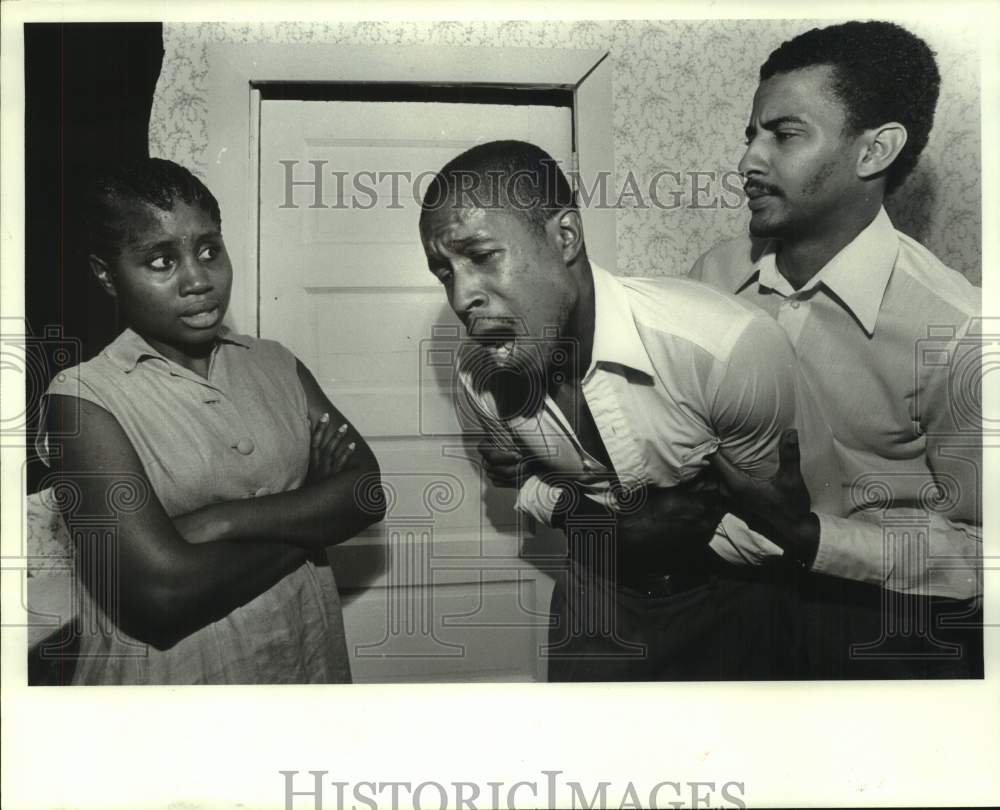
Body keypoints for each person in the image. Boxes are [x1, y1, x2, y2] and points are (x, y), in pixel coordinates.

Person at [418, 140, 806, 681]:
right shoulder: (478, 372)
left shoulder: (722, 347)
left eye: (482, 256)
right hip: (590, 606)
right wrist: (593, 521)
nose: (461, 298)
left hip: (732, 609)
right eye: (444, 272)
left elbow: (778, 528)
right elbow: (515, 478)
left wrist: (676, 542)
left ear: (565, 237)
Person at [690, 21, 983, 678]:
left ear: (875, 150)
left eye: (785, 134)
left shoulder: (961, 332)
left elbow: (983, 551)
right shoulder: (714, 275)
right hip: (727, 617)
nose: (748, 161)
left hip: (888, 639)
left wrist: (814, 538)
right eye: (751, 135)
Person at [37, 158, 385, 684]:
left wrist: (218, 522)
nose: (198, 280)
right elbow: (162, 596)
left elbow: (365, 494)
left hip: (305, 661)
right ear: (106, 275)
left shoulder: (276, 363)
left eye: (208, 251)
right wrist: (314, 512)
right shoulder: (84, 397)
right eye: (161, 261)